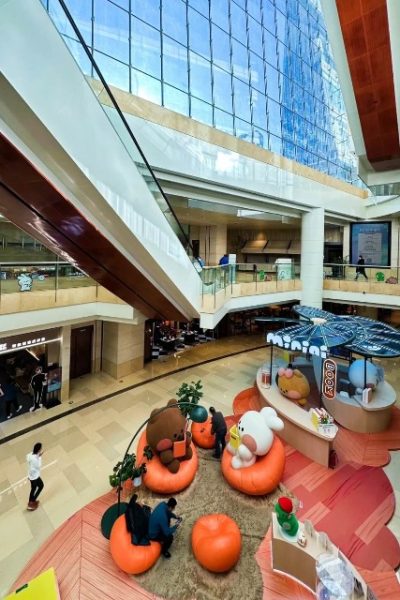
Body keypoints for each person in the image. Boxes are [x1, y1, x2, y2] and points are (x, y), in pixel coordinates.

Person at [26, 442, 44, 511]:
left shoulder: (30, 455)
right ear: (39, 450)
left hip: (30, 475)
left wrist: (38, 455)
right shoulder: (36, 459)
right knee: (40, 486)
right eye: (40, 449)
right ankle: (31, 503)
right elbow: (38, 466)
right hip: (34, 477)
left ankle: (32, 501)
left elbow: (28, 458)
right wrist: (39, 457)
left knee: (34, 488)